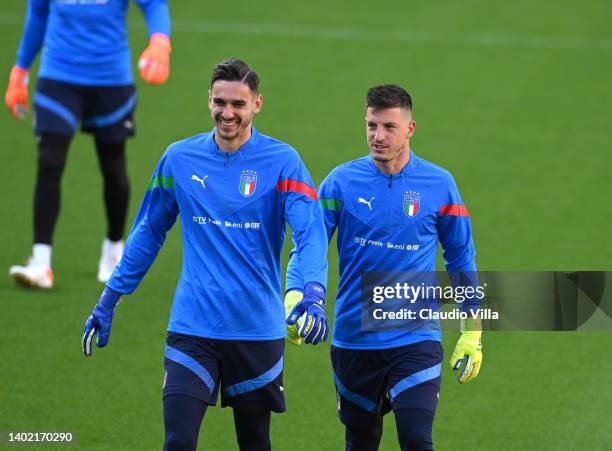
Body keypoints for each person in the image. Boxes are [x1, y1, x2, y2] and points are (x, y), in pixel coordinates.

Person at [82, 58, 330, 451]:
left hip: (256, 331)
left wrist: (313, 292)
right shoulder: (179, 159)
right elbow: (148, 232)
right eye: (220, 102)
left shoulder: (283, 162)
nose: (227, 112)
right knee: (178, 441)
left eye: (238, 104)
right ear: (209, 101)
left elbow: (310, 232)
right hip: (192, 327)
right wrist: (109, 300)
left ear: (257, 105)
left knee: (254, 442)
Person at [285, 85, 483, 450]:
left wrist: (473, 331)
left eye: (389, 127)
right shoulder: (341, 182)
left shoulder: (439, 185)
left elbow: (460, 258)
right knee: (361, 441)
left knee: (416, 439)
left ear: (410, 129)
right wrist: (296, 295)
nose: (378, 136)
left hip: (415, 339)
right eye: (371, 125)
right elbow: (308, 245)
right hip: (354, 339)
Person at [6, 0, 172, 288]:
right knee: (50, 162)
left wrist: (159, 42)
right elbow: (37, 15)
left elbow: (153, 4)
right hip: (58, 77)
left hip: (110, 80)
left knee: (113, 165)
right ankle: (41, 262)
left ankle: (113, 250)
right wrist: (20, 71)